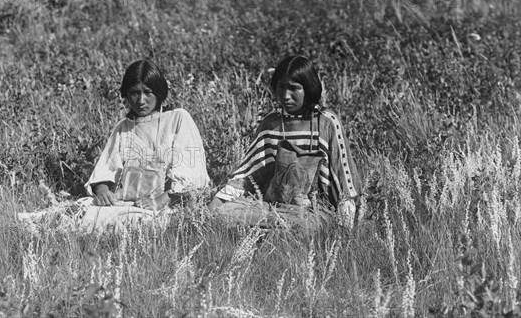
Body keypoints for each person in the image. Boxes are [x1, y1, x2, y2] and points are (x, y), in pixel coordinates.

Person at [209, 56, 361, 228]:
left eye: (294, 88)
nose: (286, 96)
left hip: (314, 211)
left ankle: (276, 229)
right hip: (272, 208)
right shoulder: (271, 123)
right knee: (223, 214)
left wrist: (346, 227)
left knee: (302, 226)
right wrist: (215, 206)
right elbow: (247, 174)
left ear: (309, 88)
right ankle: (273, 228)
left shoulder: (326, 122)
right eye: (281, 87)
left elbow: (344, 181)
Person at [78, 59, 211, 231]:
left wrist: (159, 201)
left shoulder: (177, 119)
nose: (141, 100)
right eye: (134, 93)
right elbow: (105, 170)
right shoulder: (124, 127)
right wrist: (103, 192)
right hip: (130, 203)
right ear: (126, 94)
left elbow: (192, 177)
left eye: (148, 92)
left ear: (160, 93)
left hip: (170, 205)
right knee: (79, 212)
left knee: (140, 225)